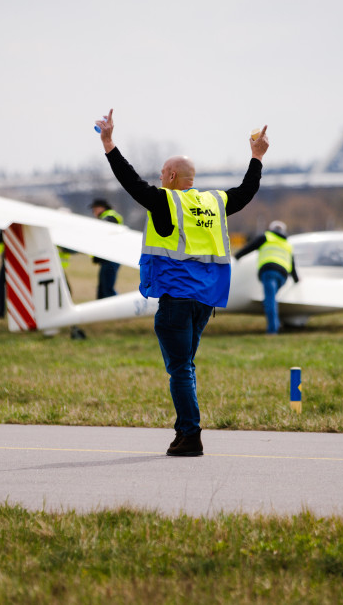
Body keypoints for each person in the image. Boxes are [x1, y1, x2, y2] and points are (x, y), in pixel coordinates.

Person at [97, 108, 269, 456]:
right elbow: (246, 191)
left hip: (176, 301)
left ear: (172, 175)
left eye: (162, 174)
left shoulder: (166, 201)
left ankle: (190, 435)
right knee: (186, 368)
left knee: (180, 371)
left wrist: (109, 143)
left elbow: (130, 182)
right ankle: (181, 432)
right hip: (205, 301)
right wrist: (256, 157)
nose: (158, 179)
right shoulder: (215, 202)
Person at [234, 220, 299, 334]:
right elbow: (292, 264)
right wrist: (296, 279)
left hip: (269, 271)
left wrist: (236, 256)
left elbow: (250, 247)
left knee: (270, 300)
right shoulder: (287, 244)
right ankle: (276, 323)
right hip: (283, 276)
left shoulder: (266, 237)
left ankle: (273, 329)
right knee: (271, 299)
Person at [89, 198, 123, 299]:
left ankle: (117, 309)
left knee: (107, 291)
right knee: (102, 291)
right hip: (107, 259)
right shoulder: (106, 217)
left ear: (102, 208)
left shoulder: (110, 216)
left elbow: (104, 232)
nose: (93, 212)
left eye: (95, 209)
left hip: (111, 258)